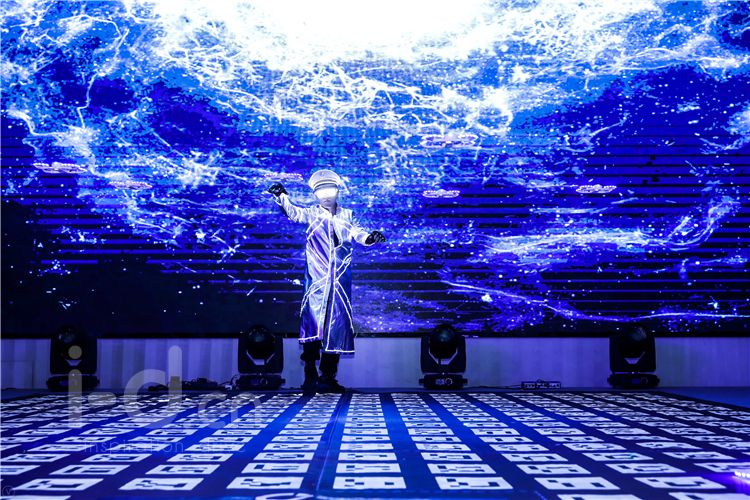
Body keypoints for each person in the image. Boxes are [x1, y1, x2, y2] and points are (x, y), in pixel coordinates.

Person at [267, 169, 386, 393]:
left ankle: (328, 376)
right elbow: (294, 213)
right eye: (321, 192)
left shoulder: (348, 215)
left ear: (337, 191)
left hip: (339, 282)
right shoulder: (312, 213)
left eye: (330, 191)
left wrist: (370, 238)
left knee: (337, 327)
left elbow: (359, 233)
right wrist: (282, 196)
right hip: (317, 281)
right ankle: (310, 373)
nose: (326, 196)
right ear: (315, 194)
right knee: (313, 324)